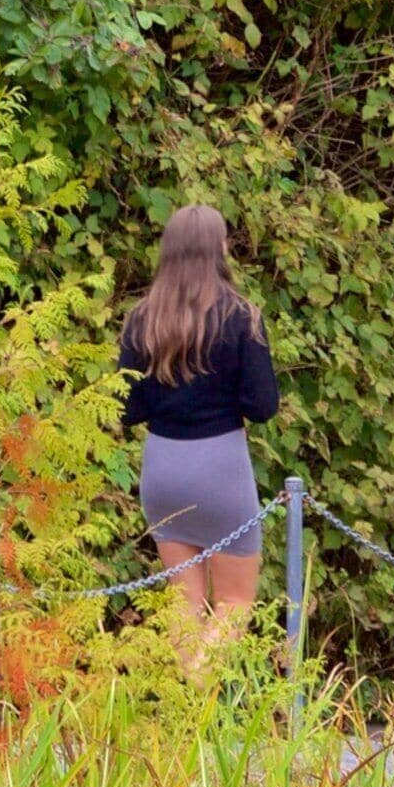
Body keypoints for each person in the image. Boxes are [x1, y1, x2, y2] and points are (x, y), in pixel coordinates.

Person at [118, 204, 278, 624]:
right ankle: (200, 691)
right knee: (234, 604)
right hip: (220, 466)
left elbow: (127, 408)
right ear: (219, 249)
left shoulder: (142, 319)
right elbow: (264, 406)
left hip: (163, 468)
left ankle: (187, 689)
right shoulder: (241, 317)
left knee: (184, 607)